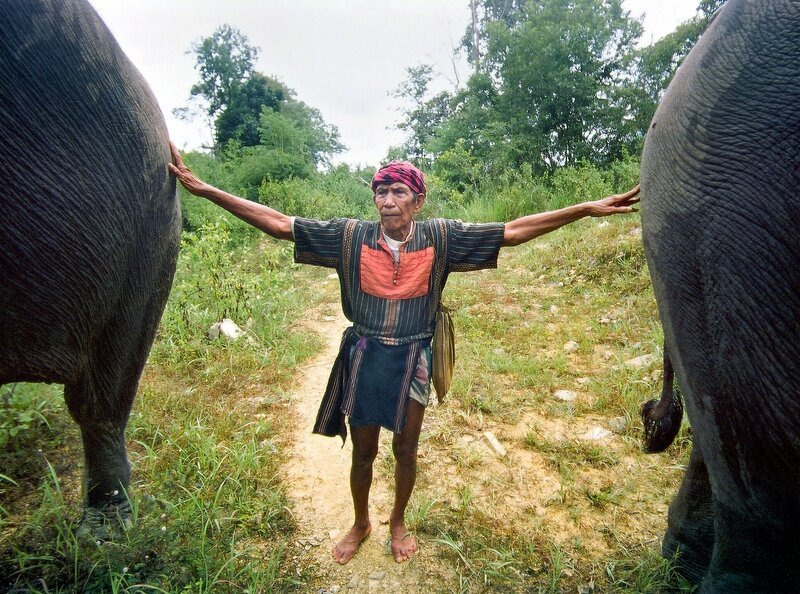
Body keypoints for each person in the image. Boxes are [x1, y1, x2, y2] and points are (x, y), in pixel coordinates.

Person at [168, 142, 639, 564]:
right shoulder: (349, 237)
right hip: (366, 354)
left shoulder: (442, 237)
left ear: (418, 201)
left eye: (398, 193)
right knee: (364, 452)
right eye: (381, 192)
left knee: (406, 448)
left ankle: (397, 520)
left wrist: (584, 209)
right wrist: (205, 190)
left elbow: (512, 231)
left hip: (414, 355)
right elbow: (278, 224)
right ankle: (360, 522)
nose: (388, 201)